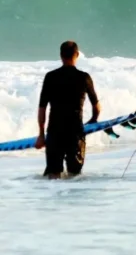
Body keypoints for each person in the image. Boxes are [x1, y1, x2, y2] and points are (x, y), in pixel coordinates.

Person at [35, 41, 100, 179]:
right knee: (75, 175)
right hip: (75, 132)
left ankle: (54, 198)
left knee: (53, 175)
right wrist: (93, 120)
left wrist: (41, 135)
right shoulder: (84, 77)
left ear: (61, 55)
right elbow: (97, 107)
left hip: (54, 132)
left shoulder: (50, 77)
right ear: (77, 55)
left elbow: (42, 108)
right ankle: (73, 200)